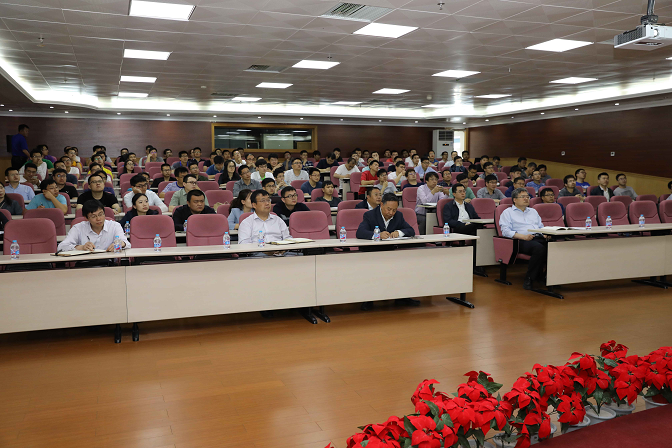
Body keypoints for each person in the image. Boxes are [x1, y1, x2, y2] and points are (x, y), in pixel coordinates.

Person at [499, 188, 550, 290]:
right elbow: (505, 231)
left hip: (537, 237)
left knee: (555, 246)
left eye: (527, 197)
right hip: (519, 241)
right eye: (523, 197)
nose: (526, 199)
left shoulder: (533, 211)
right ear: (514, 199)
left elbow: (540, 227)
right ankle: (529, 278)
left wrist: (545, 233)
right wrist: (523, 236)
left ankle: (546, 276)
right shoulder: (507, 212)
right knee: (539, 249)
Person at [58, 200, 130, 252]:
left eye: (100, 214)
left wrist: (121, 244)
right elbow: (61, 247)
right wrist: (81, 247)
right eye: (93, 216)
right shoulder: (78, 228)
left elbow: (127, 244)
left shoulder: (114, 226)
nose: (98, 219)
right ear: (86, 218)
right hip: (84, 264)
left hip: (109, 263)